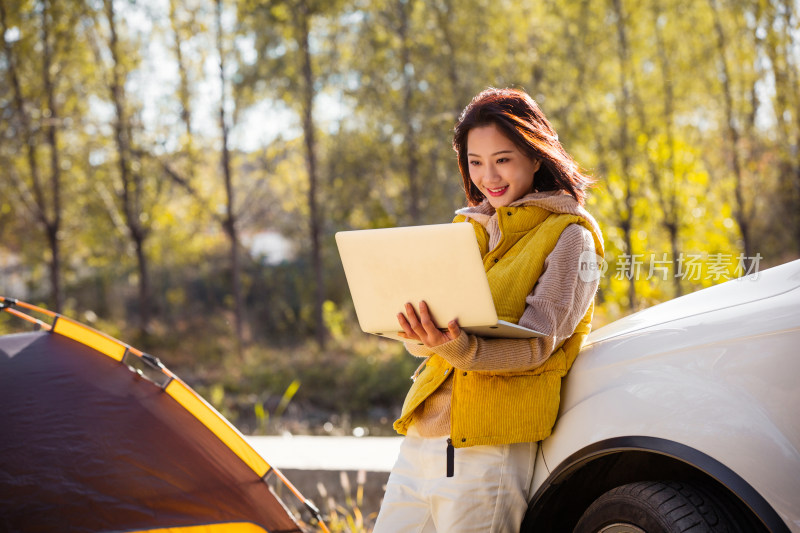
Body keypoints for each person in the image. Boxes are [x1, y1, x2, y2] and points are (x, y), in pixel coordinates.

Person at [372, 87, 605, 533]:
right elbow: (441, 343)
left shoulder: (571, 236)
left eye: (502, 159)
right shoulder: (466, 228)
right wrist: (419, 335)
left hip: (489, 450)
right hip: (423, 439)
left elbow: (538, 345)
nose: (488, 176)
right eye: (475, 162)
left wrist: (456, 347)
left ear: (536, 156)